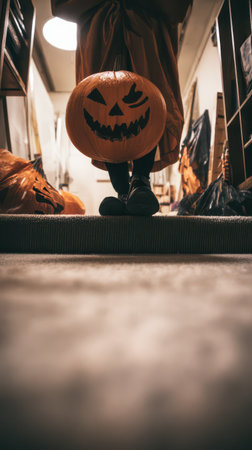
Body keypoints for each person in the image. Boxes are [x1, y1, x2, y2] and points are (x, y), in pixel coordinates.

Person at [51, 0, 193, 215]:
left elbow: (178, 8)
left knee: (145, 99)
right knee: (101, 101)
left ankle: (139, 182)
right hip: (104, 30)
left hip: (143, 28)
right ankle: (124, 190)